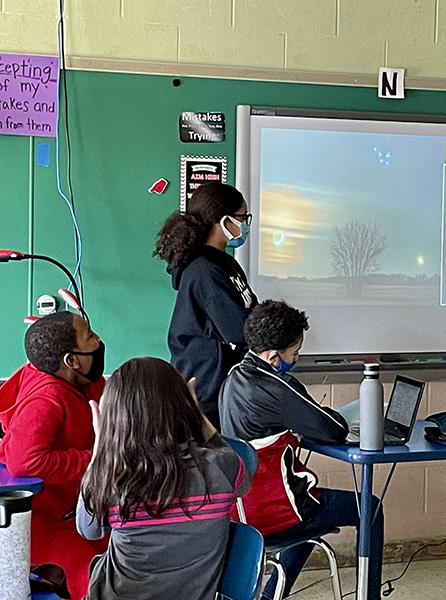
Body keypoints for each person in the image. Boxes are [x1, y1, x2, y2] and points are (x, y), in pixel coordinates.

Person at [219, 300, 384, 600]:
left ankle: (273, 595)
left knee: (312, 517)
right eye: (294, 354)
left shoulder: (232, 378)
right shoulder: (277, 387)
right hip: (272, 511)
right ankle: (370, 595)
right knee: (370, 508)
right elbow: (334, 430)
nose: (296, 359)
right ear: (273, 357)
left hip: (239, 508)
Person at [77, 357, 250, 600]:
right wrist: (198, 414)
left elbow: (89, 530)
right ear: (184, 406)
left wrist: (100, 448)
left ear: (114, 419)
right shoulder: (222, 465)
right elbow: (243, 484)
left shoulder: (112, 477)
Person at [0, 312, 107, 600]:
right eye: (90, 337)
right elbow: (24, 461)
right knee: (93, 578)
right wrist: (95, 460)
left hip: (81, 508)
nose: (98, 340)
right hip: (43, 522)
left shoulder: (79, 378)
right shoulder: (46, 399)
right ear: (70, 360)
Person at [154, 182, 258, 427]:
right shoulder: (204, 271)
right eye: (242, 217)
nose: (245, 225)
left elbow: (252, 311)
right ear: (223, 221)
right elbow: (240, 330)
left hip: (222, 386)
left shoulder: (225, 263)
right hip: (206, 389)